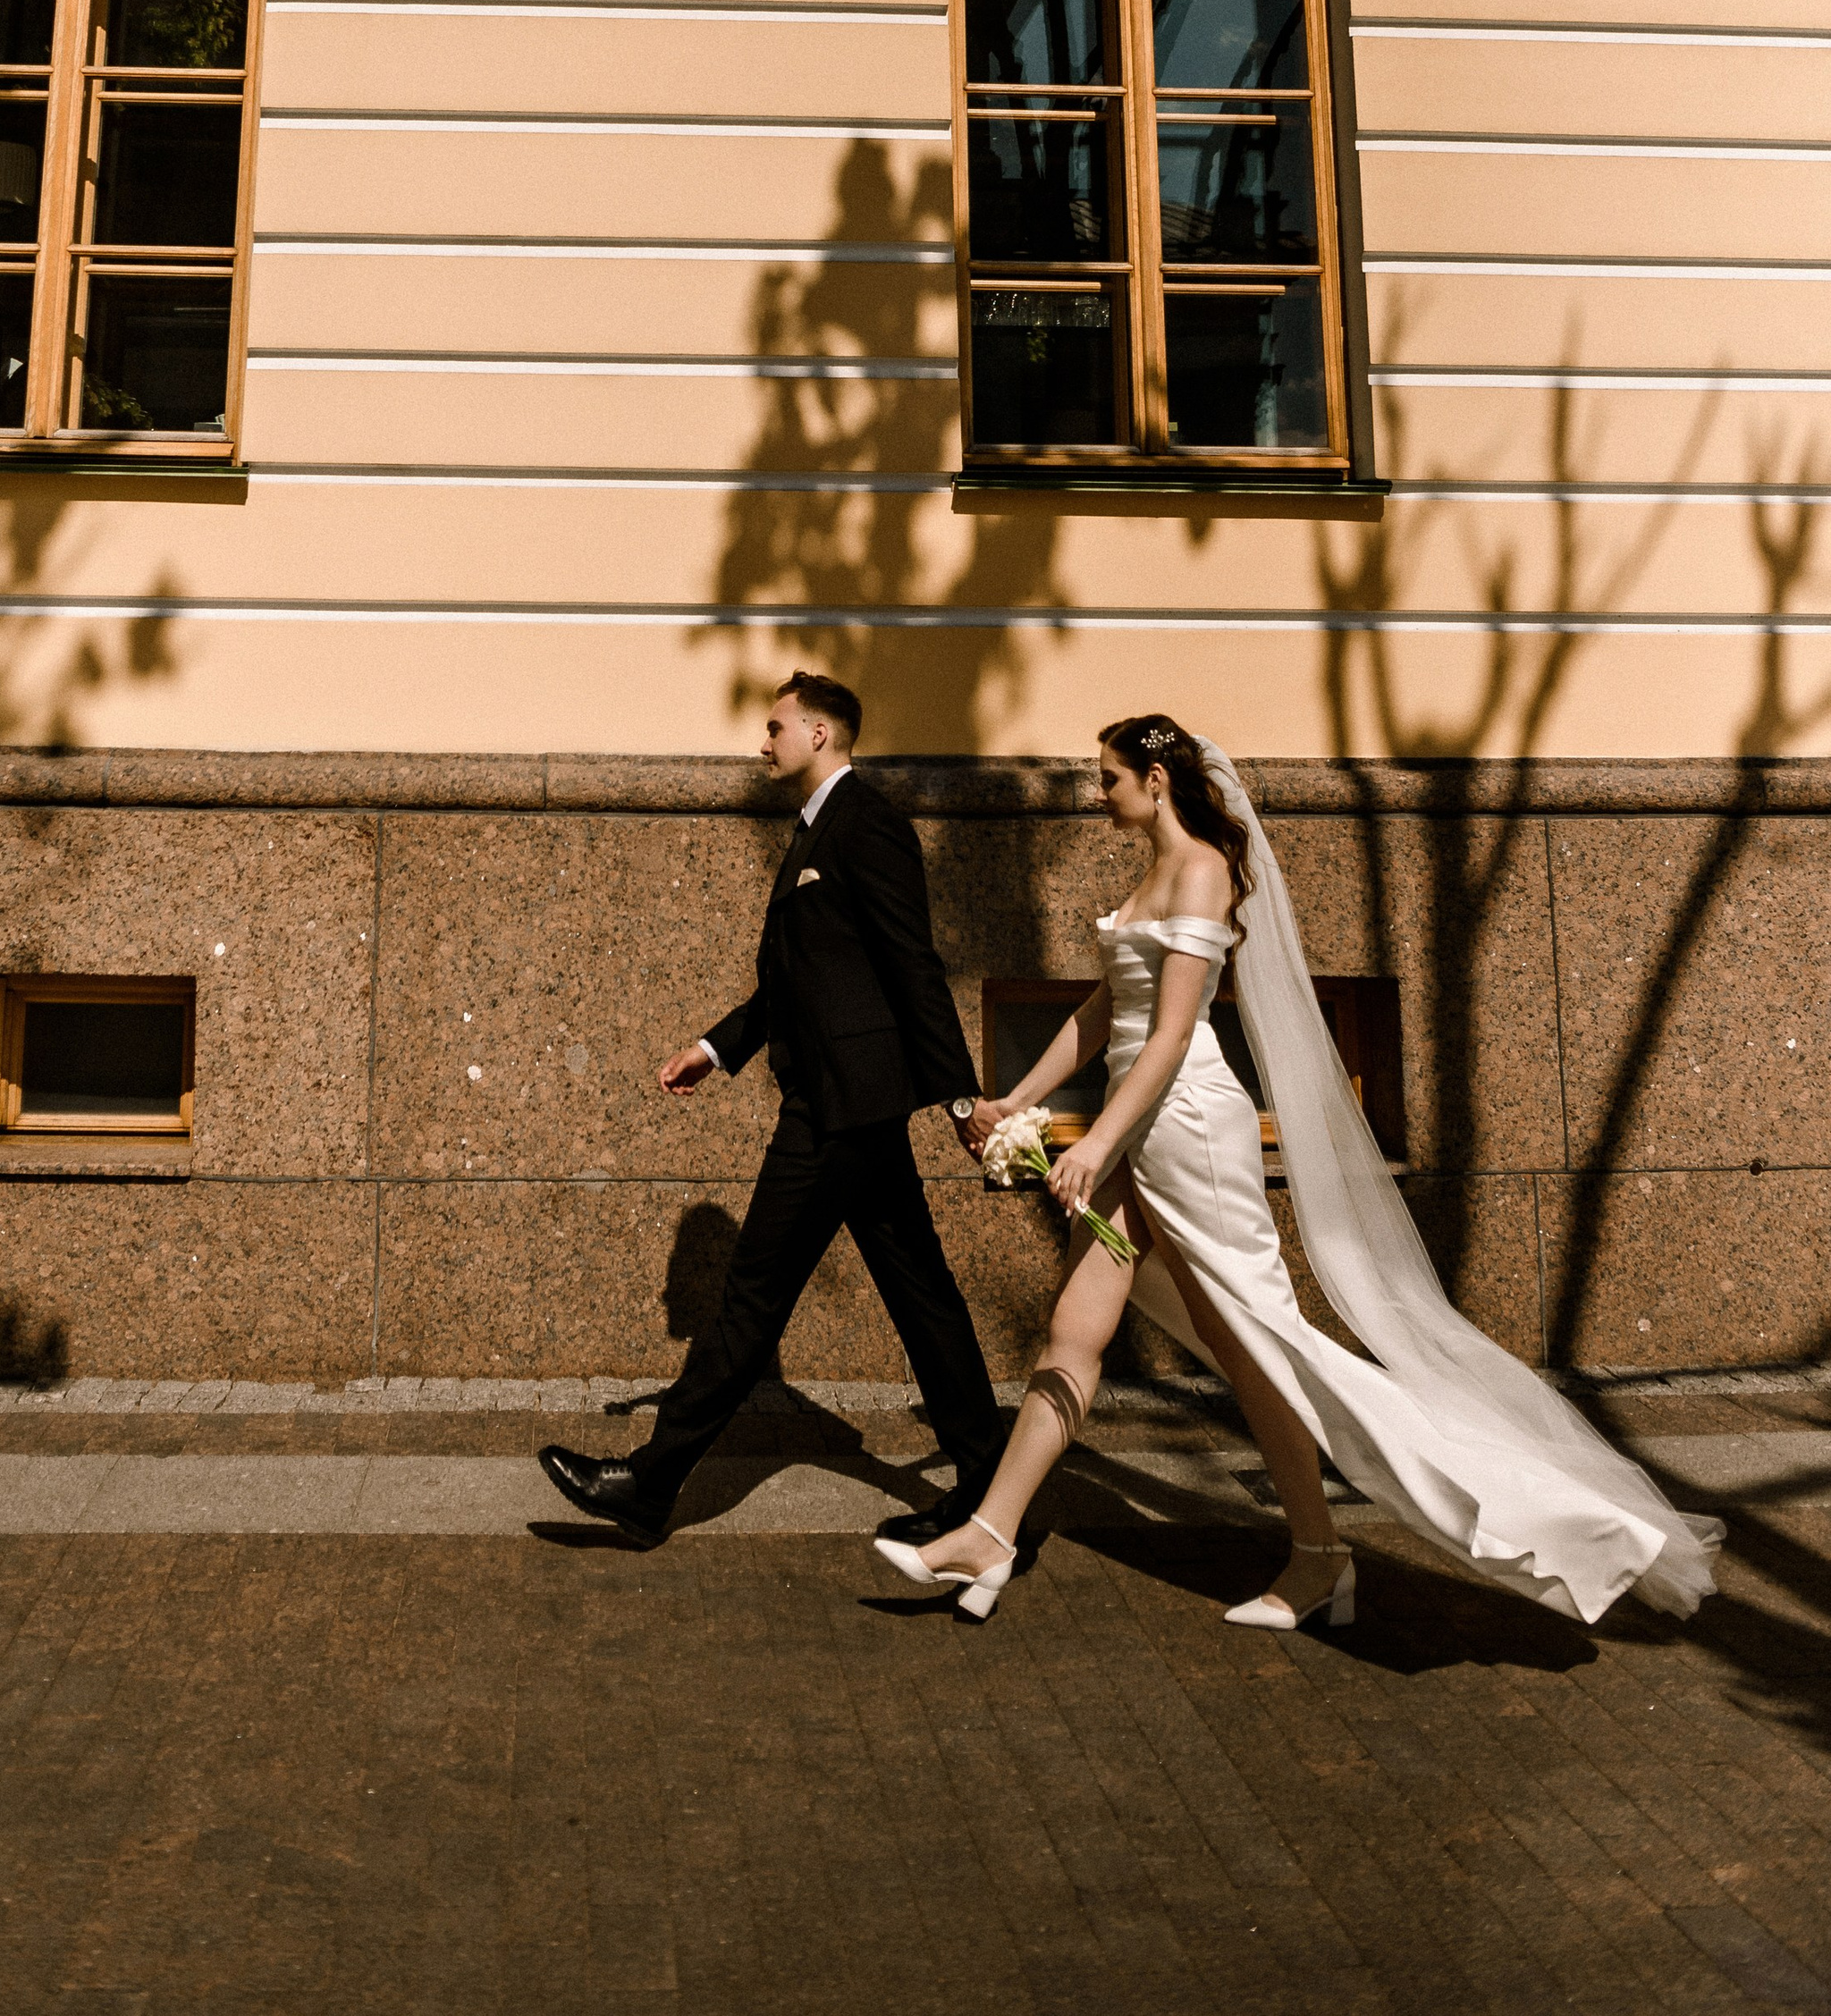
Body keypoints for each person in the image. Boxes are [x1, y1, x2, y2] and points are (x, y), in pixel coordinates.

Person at [878, 714, 1722, 1631]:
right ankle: (993, 1531)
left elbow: (1168, 1036)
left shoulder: (1201, 869)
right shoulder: (1148, 874)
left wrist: (1089, 1142)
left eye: (1108, 777)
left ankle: (1353, 1550)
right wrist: (1019, 1098)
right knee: (1072, 1335)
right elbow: (1104, 1010)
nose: (1097, 792)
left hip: (1187, 1125)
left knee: (1265, 1348)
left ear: (1156, 781)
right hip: (1136, 1127)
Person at [539, 671, 1002, 1548]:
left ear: (822, 733)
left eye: (775, 725)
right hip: (841, 1101)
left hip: (838, 1107)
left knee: (755, 1294)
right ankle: (990, 1487)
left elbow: (913, 967)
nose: (763, 742)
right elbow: (797, 982)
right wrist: (713, 1047)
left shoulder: (868, 825)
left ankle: (647, 1484)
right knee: (921, 1294)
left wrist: (959, 1097)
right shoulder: (815, 831)